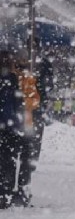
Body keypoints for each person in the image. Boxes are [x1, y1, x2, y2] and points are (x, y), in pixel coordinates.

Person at [13, 39, 52, 206]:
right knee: (21, 153)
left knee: (29, 153)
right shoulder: (18, 68)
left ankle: (22, 187)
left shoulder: (40, 66)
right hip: (23, 116)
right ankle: (18, 188)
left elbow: (45, 88)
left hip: (31, 115)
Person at [0, 49, 25, 209]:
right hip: (9, 126)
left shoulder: (13, 78)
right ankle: (5, 194)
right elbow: (18, 103)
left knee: (6, 161)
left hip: (7, 125)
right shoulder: (13, 78)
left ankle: (5, 193)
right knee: (8, 162)